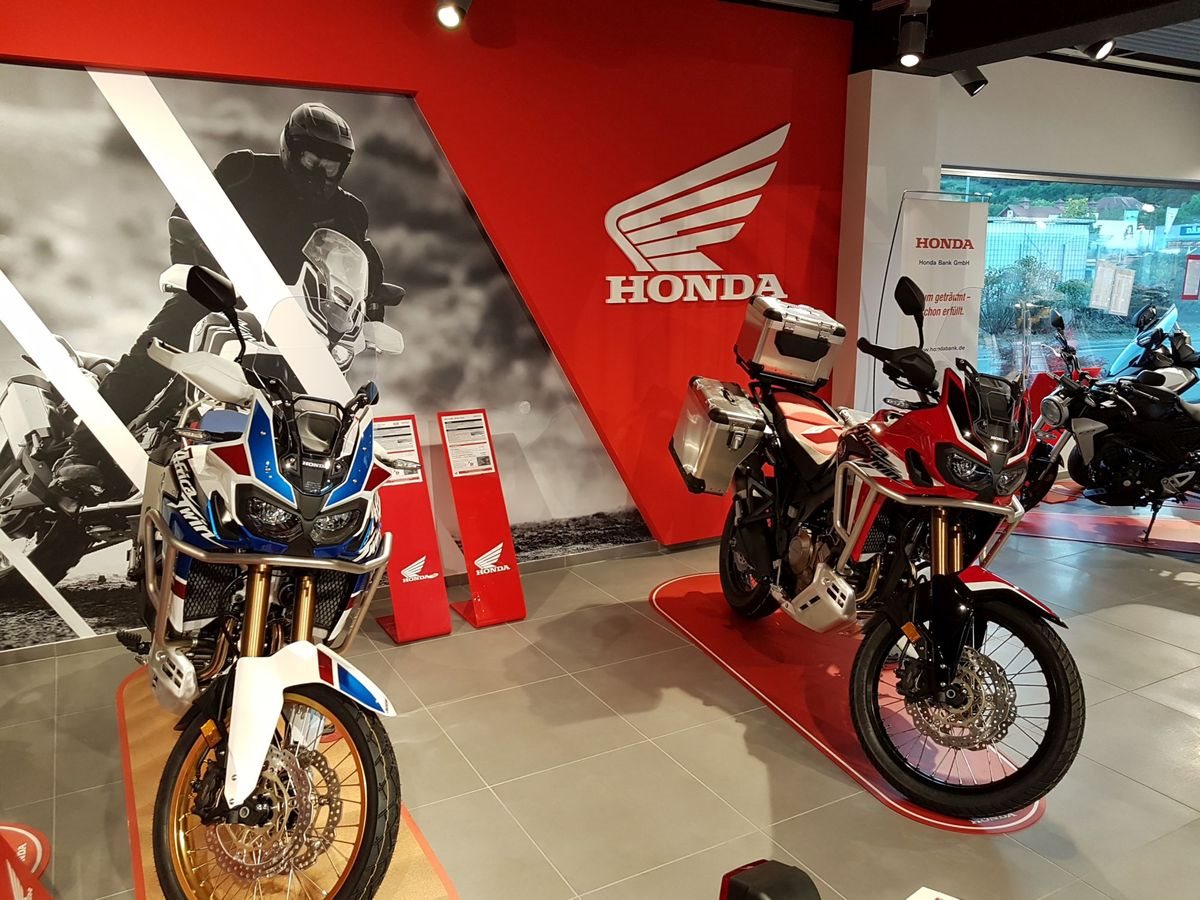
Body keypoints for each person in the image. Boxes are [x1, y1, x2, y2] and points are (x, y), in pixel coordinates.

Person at [51, 102, 386, 498]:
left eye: (332, 163)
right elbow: (187, 214)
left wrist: (372, 305)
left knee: (310, 404)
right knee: (155, 353)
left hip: (297, 325)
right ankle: (83, 451)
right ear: (291, 149)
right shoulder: (246, 171)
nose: (321, 171)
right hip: (219, 296)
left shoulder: (348, 210)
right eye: (312, 158)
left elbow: (364, 264)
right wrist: (195, 268)